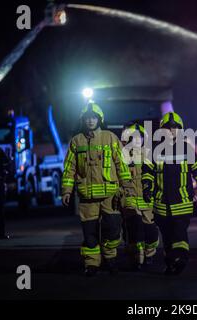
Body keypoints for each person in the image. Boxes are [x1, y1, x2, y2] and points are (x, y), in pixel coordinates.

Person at [61, 102, 135, 276]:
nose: (90, 121)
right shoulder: (76, 141)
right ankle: (92, 264)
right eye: (87, 118)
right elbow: (69, 168)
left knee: (113, 229)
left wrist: (127, 187)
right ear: (83, 120)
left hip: (110, 195)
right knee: (90, 233)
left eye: (93, 118)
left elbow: (121, 165)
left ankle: (110, 258)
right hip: (87, 198)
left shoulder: (110, 138)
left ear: (99, 119)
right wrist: (66, 191)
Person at [142, 112, 197, 275]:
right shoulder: (154, 150)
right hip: (161, 205)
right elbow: (148, 172)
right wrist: (146, 187)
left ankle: (181, 258)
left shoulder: (187, 149)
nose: (171, 130)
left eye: (175, 128)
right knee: (167, 237)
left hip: (182, 203)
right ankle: (171, 262)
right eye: (168, 128)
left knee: (179, 233)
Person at [120, 122, 159, 270]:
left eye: (139, 137)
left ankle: (149, 253)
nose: (136, 140)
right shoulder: (123, 156)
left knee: (150, 230)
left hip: (147, 198)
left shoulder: (150, 155)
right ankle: (136, 257)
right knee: (133, 229)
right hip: (130, 199)